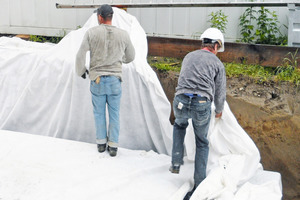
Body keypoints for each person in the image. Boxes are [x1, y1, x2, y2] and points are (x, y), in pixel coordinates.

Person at [169, 28, 226, 199]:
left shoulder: (188, 56)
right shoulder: (217, 64)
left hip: (180, 100)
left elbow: (183, 78)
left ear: (203, 43)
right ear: (215, 45)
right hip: (201, 102)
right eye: (218, 47)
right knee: (202, 142)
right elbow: (220, 91)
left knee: (179, 125)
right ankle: (199, 183)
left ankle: (176, 163)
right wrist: (219, 109)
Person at [75, 4, 135, 157]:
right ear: (111, 17)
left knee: (99, 113)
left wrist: (81, 71)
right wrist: (119, 59)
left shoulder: (91, 33)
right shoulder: (124, 34)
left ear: (100, 17)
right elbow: (131, 57)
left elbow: (80, 54)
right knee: (114, 113)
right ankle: (113, 146)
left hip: (97, 80)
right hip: (115, 80)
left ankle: (101, 144)